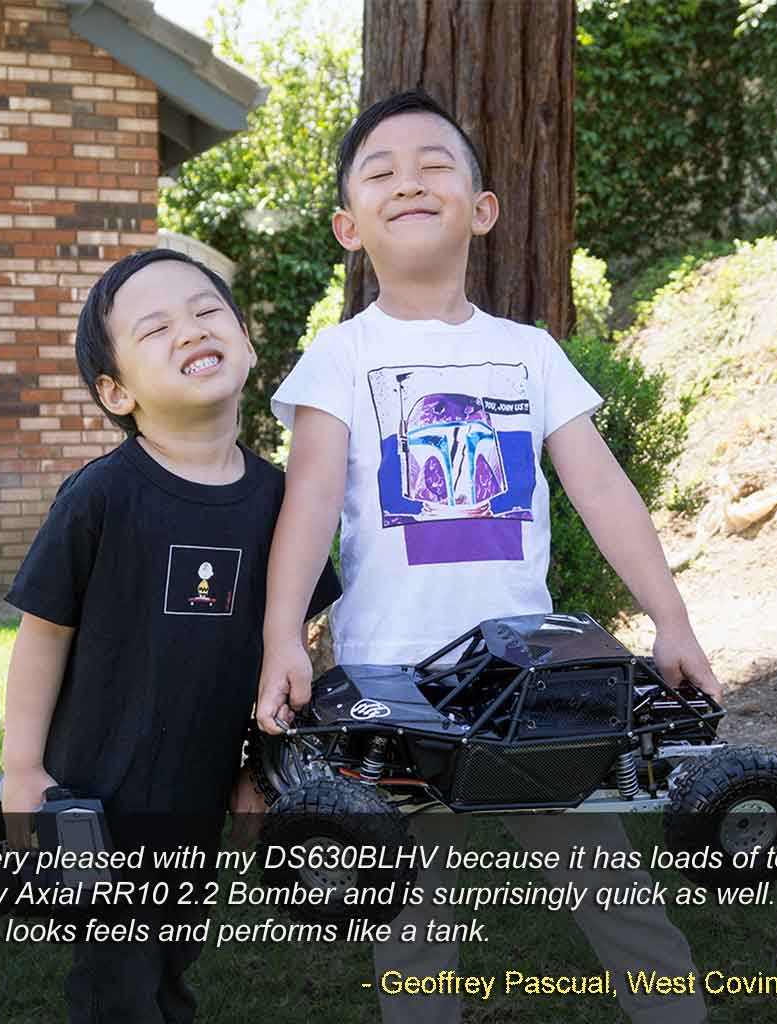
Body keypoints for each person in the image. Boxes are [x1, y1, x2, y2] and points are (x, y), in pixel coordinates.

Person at [256, 90, 718, 1023]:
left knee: (617, 895)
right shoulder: (339, 358)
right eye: (380, 172)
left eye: (435, 164)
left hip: (531, 687)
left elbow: (602, 492)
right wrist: (283, 637)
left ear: (483, 207)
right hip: (390, 687)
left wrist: (672, 620)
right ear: (350, 226)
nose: (409, 180)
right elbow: (305, 502)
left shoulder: (530, 353)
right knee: (413, 921)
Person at [0, 248, 340, 1023]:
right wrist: (23, 770)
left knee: (171, 959)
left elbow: (288, 646)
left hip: (195, 795)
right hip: (91, 796)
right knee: (116, 979)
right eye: (154, 327)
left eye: (206, 311)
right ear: (117, 392)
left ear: (248, 345)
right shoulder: (101, 497)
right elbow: (43, 635)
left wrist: (258, 769)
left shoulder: (283, 503)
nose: (189, 329)